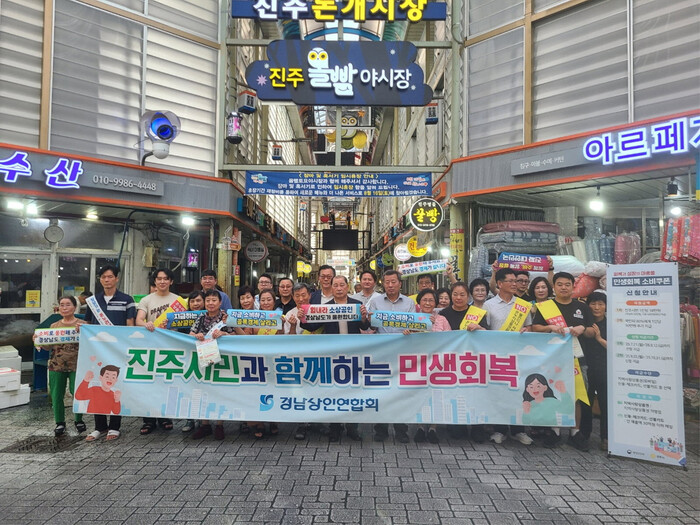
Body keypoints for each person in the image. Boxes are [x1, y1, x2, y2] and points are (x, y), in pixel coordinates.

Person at [300, 276, 369, 442]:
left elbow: (364, 326)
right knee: (334, 392)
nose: (338, 288)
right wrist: (303, 317)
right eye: (335, 285)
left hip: (353, 355)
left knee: (353, 392)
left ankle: (352, 428)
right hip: (333, 356)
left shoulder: (356, 304)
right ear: (331, 288)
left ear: (347, 286)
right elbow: (312, 326)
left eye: (341, 285)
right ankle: (335, 428)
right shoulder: (325, 308)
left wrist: (364, 317)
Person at [531, 272, 595, 450]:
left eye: (567, 284)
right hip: (553, 359)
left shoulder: (582, 307)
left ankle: (575, 432)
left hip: (577, 359)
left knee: (576, 396)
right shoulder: (546, 307)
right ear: (554, 287)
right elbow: (535, 328)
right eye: (560, 284)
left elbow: (592, 331)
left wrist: (582, 328)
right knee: (553, 394)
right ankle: (555, 431)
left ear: (573, 286)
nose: (564, 287)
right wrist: (550, 327)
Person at [82, 264, 135, 442]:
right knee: (98, 386)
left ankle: (114, 426)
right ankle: (99, 426)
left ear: (116, 279)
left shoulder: (127, 300)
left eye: (110, 276)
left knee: (115, 386)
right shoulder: (93, 301)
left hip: (118, 350)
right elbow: (88, 323)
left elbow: (130, 326)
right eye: (103, 277)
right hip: (97, 350)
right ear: (100, 279)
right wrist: (82, 328)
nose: (107, 280)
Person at [482, 268, 533, 446]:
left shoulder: (523, 305)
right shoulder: (489, 305)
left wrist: (526, 330)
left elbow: (530, 327)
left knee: (518, 392)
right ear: (500, 283)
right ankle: (500, 430)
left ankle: (518, 430)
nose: (514, 284)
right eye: (510, 281)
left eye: (515, 281)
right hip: (497, 356)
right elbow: (485, 330)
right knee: (500, 393)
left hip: (518, 356)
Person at [365, 270, 416, 443]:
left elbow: (414, 325)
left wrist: (411, 330)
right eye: (387, 282)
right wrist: (370, 320)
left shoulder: (409, 303)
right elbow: (372, 326)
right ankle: (381, 430)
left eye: (394, 282)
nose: (390, 285)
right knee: (381, 391)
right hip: (382, 352)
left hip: (402, 352)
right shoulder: (375, 301)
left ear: (400, 283)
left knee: (401, 393)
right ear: (383, 284)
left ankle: (401, 430)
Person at [437, 281, 489, 442]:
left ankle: (477, 427)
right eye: (455, 294)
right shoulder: (444, 314)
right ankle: (456, 425)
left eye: (462, 294)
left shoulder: (478, 313)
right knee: (455, 393)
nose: (458, 298)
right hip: (451, 361)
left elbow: (488, 334)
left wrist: (479, 328)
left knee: (474, 392)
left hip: (472, 360)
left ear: (468, 296)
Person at [33, 295, 86, 436]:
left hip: (77, 365)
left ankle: (79, 419)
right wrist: (39, 340)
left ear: (74, 307)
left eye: (68, 304)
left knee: (77, 393)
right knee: (57, 395)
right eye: (62, 305)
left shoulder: (82, 325)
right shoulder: (54, 326)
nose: (64, 308)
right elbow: (48, 347)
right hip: (56, 365)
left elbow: (90, 343)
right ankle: (60, 422)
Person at [135, 268, 179, 435]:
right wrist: (145, 324)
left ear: (171, 281)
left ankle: (165, 417)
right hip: (150, 347)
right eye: (159, 279)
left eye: (165, 279)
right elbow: (139, 320)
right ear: (154, 281)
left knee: (166, 383)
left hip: (170, 348)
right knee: (149, 384)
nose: (162, 281)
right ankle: (148, 420)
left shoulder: (178, 301)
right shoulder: (146, 300)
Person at [402, 289, 449, 444]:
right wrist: (407, 332)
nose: (428, 303)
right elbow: (406, 343)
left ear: (435, 303)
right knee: (419, 394)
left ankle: (433, 428)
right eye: (424, 300)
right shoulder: (411, 319)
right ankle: (420, 427)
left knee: (436, 395)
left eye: (431, 300)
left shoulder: (442, 319)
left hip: (438, 364)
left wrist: (434, 327)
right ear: (419, 302)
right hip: (418, 363)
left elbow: (451, 339)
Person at [189, 290, 235, 440]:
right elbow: (190, 334)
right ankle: (205, 425)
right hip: (204, 358)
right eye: (208, 300)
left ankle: (219, 424)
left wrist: (224, 334)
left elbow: (235, 335)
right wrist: (197, 336)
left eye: (214, 300)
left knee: (220, 390)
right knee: (203, 389)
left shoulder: (225, 318)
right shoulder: (201, 317)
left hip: (222, 359)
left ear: (220, 302)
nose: (210, 303)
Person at [580, 291, 608, 451]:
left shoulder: (611, 324)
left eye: (601, 304)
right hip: (586, 368)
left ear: (606, 306)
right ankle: (584, 435)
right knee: (586, 403)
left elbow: (616, 347)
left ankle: (606, 437)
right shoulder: (583, 324)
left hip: (605, 369)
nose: (597, 307)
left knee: (605, 403)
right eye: (593, 303)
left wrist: (599, 339)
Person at [180, 290, 205, 432]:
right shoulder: (181, 318)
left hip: (205, 356)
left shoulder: (208, 317)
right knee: (189, 387)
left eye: (199, 300)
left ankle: (203, 420)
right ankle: (189, 419)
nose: (195, 304)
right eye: (192, 301)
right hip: (188, 357)